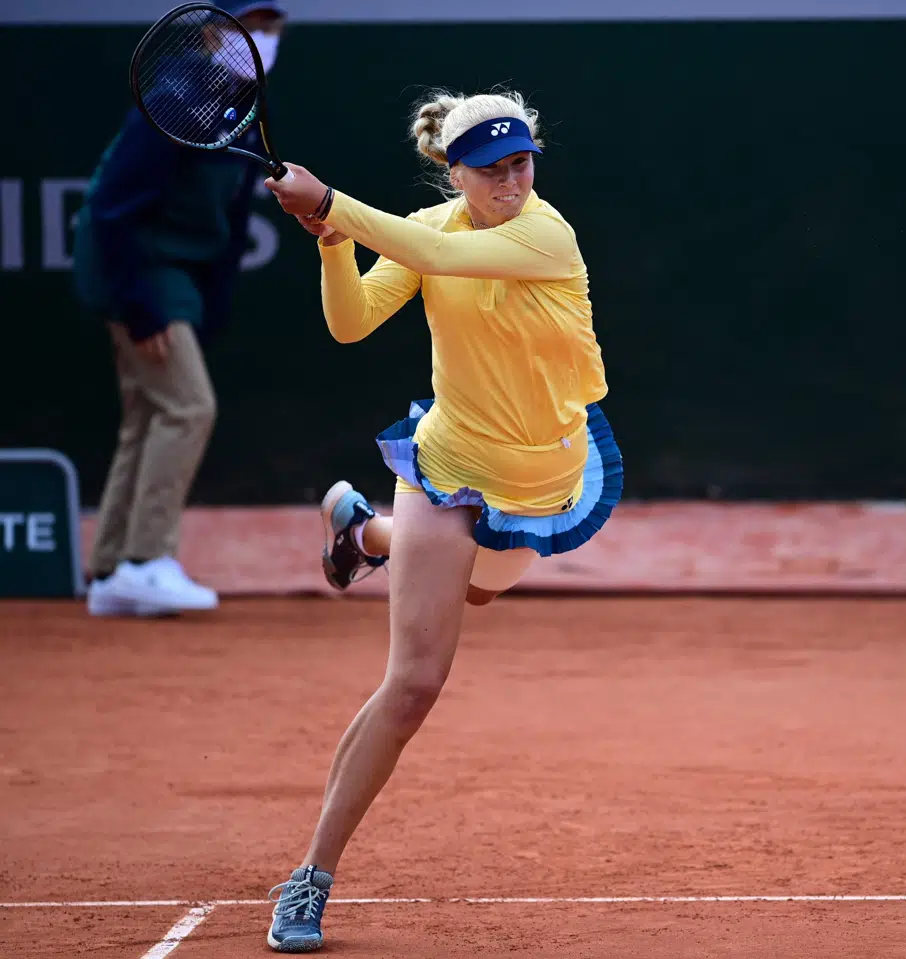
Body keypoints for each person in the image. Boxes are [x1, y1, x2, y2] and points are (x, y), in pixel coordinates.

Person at [260, 88, 623, 953]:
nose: (511, 181)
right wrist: (334, 244)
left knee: (479, 588)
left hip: (544, 479)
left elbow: (431, 251)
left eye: (521, 163)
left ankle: (362, 533)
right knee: (416, 681)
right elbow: (351, 323)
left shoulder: (546, 234)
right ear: (453, 172)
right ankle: (310, 876)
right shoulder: (430, 229)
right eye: (491, 169)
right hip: (449, 465)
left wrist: (331, 202)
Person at [75, 0, 289, 617]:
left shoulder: (242, 105)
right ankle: (146, 561)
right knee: (189, 407)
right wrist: (138, 305)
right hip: (139, 271)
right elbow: (111, 209)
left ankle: (111, 570)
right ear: (211, 34)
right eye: (249, 25)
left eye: (272, 27)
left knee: (149, 413)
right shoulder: (174, 100)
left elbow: (233, 215)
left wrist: (213, 302)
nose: (262, 38)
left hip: (176, 275)